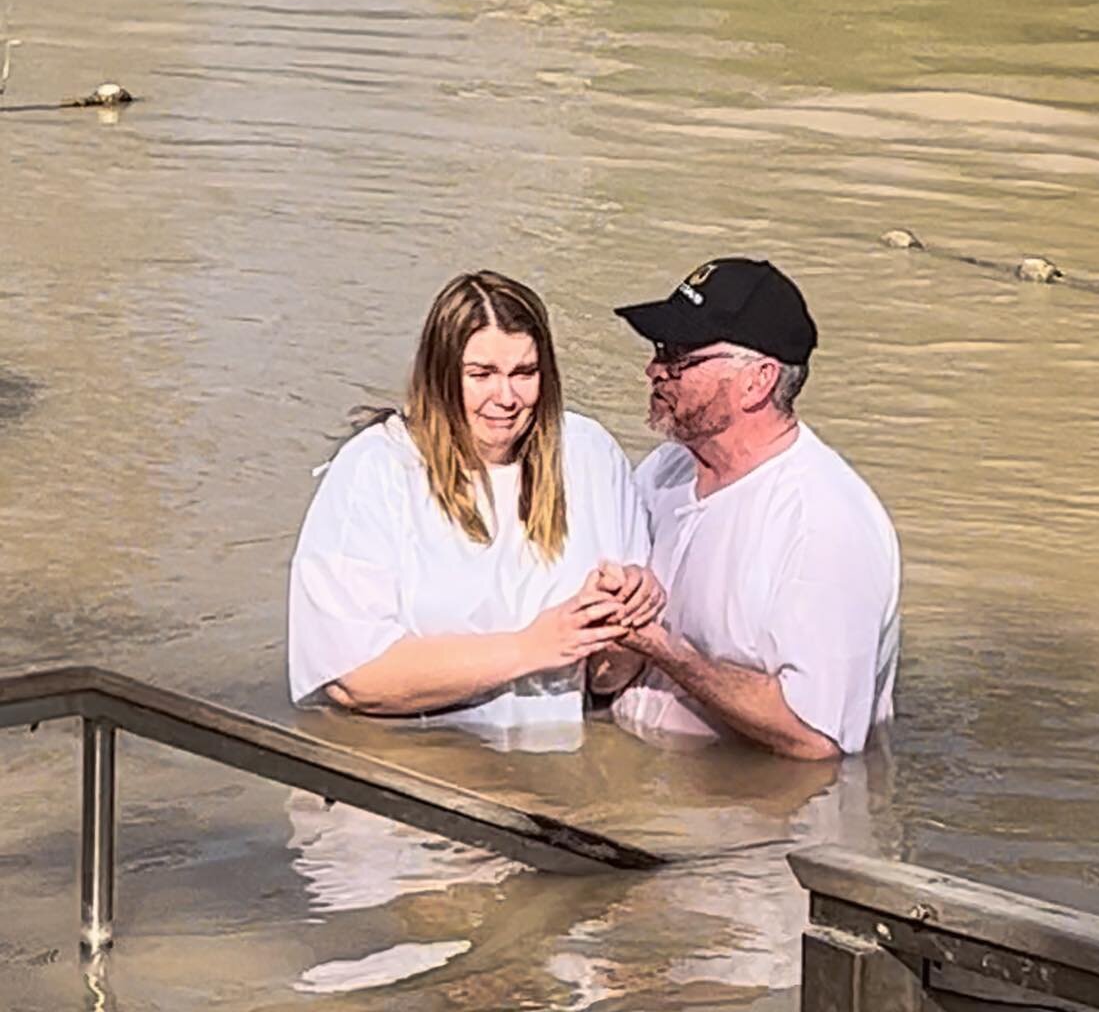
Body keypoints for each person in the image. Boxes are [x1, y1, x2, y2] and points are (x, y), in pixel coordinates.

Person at [287, 270, 663, 746]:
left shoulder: (590, 455)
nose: (505, 398)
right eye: (481, 375)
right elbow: (352, 679)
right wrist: (532, 647)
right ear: (442, 374)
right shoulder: (376, 468)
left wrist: (623, 623)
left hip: (554, 771)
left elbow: (606, 681)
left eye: (523, 374)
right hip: (413, 767)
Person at [594, 257, 900, 761]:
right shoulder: (666, 467)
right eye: (656, 350)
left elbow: (815, 737)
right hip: (640, 779)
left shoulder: (823, 521)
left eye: (678, 356)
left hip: (755, 826)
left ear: (757, 381)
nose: (653, 370)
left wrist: (663, 649)